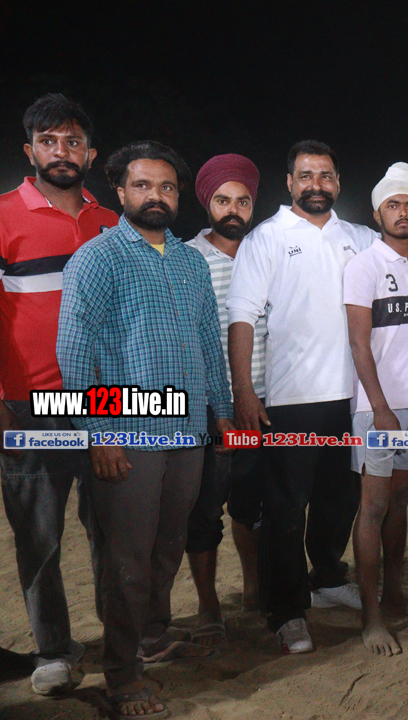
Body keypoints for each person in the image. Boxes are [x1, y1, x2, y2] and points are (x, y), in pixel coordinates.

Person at [228, 141, 408, 653]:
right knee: (286, 508)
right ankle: (286, 611)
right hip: (291, 398)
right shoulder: (266, 238)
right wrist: (244, 390)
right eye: (306, 175)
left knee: (339, 501)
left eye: (325, 175)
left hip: (353, 399)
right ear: (290, 182)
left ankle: (325, 578)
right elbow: (242, 317)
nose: (316, 184)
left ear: (338, 183)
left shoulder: (359, 237)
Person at [57, 140, 234, 719]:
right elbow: (75, 352)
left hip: (187, 432)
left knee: (167, 546)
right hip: (129, 432)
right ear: (119, 190)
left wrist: (221, 409)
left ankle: (152, 635)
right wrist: (100, 432)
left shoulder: (189, 262)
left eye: (167, 187)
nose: (156, 195)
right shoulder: (97, 259)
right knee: (127, 559)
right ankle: (122, 673)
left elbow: (208, 341)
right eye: (142, 185)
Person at [0, 93, 116, 697]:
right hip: (30, 405)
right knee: (39, 537)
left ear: (91, 154)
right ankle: (53, 650)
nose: (61, 151)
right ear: (30, 151)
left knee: (111, 530)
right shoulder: (2, 216)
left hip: (107, 404)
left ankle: (122, 638)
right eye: (49, 141)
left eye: (73, 141)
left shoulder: (112, 222)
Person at [344, 162, 408, 656]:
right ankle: (371, 616)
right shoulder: (363, 266)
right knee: (374, 507)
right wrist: (380, 407)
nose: (403, 213)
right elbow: (359, 344)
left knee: (400, 504)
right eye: (393, 205)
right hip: (376, 410)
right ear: (377, 214)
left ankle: (396, 593)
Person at [183, 154, 266, 648]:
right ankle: (208, 604)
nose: (233, 209)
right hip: (209, 411)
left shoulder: (266, 254)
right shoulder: (186, 259)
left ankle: (255, 587)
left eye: (243, 200)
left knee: (251, 505)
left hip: (264, 403)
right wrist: (214, 409)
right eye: (222, 200)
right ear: (207, 203)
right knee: (204, 511)